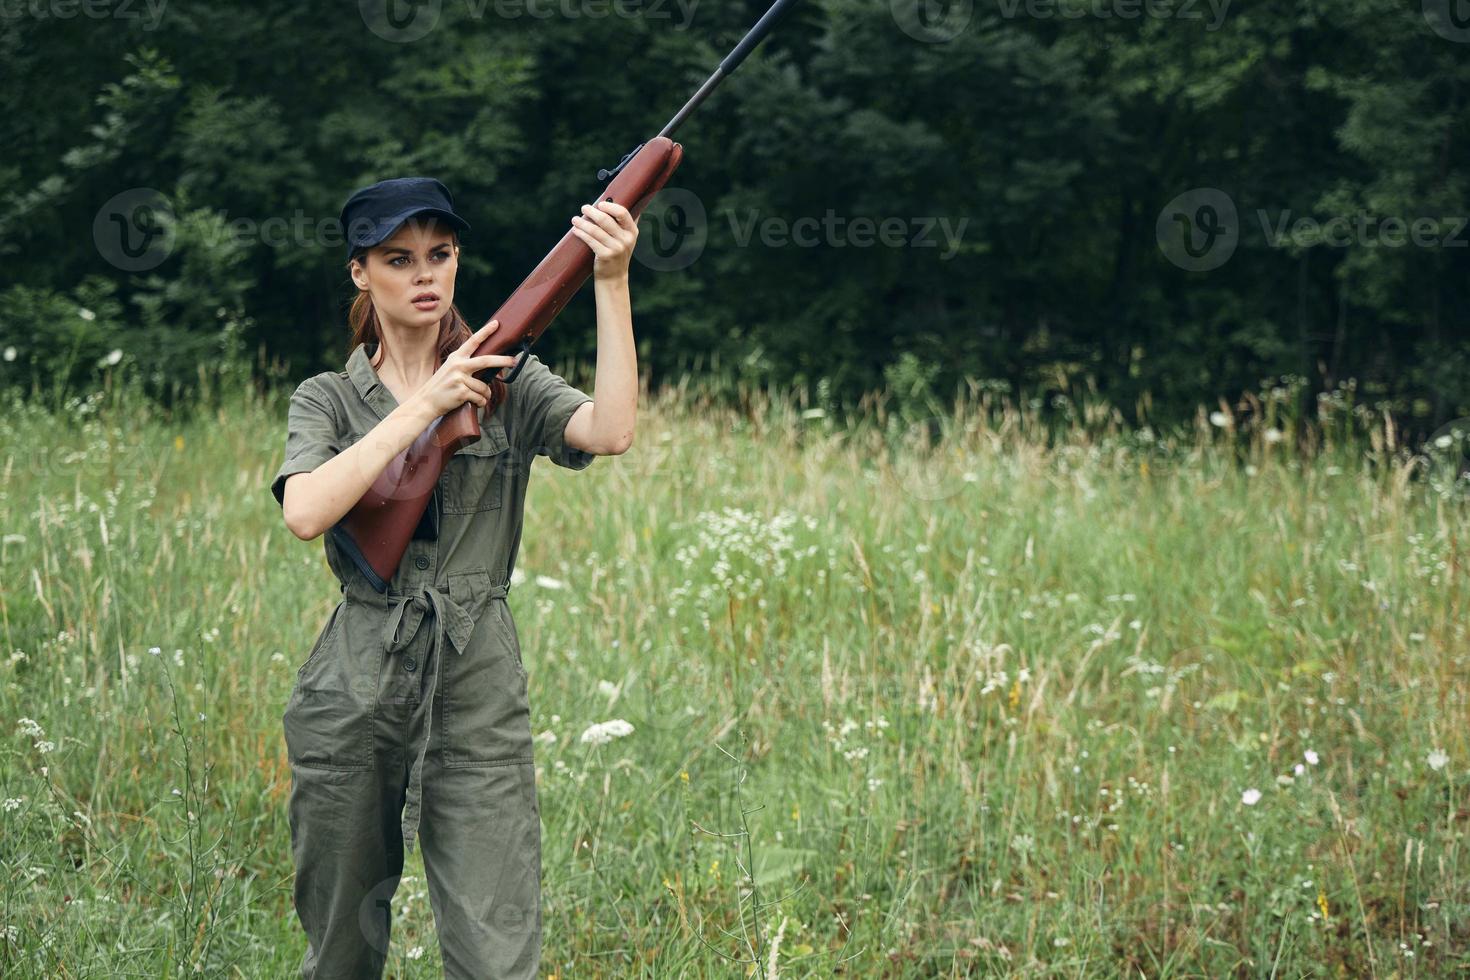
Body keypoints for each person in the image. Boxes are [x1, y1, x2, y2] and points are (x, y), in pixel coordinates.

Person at [269, 176, 639, 978]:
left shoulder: (503, 380)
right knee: (340, 946)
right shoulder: (327, 398)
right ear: (361, 272)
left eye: (441, 255)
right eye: (399, 259)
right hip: (356, 675)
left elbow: (610, 429)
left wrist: (610, 281)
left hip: (477, 672)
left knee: (495, 942)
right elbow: (306, 512)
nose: (426, 274)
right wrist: (425, 406)